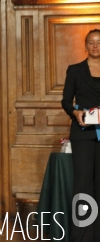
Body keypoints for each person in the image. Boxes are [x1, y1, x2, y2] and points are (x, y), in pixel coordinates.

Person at [62, 29, 100, 242]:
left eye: (99, 42)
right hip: (83, 134)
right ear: (85, 46)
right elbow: (66, 101)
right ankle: (83, 236)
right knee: (83, 185)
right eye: (91, 42)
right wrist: (75, 112)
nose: (95, 46)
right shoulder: (75, 70)